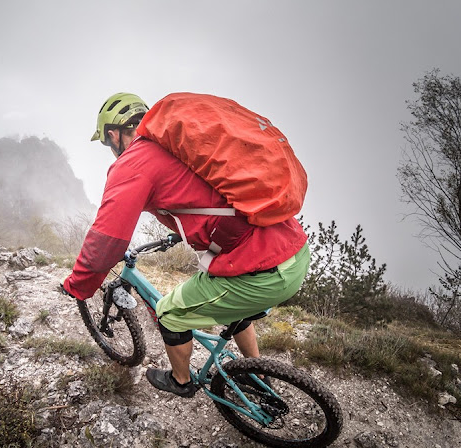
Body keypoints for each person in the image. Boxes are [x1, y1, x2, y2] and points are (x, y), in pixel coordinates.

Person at [62, 92, 310, 398]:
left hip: (264, 274)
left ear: (113, 134)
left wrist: (78, 284)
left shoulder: (132, 163)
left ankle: (181, 381)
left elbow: (106, 241)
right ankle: (256, 374)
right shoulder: (176, 148)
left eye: (106, 142)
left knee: (168, 313)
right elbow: (203, 197)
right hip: (292, 249)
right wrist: (182, 232)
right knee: (227, 298)